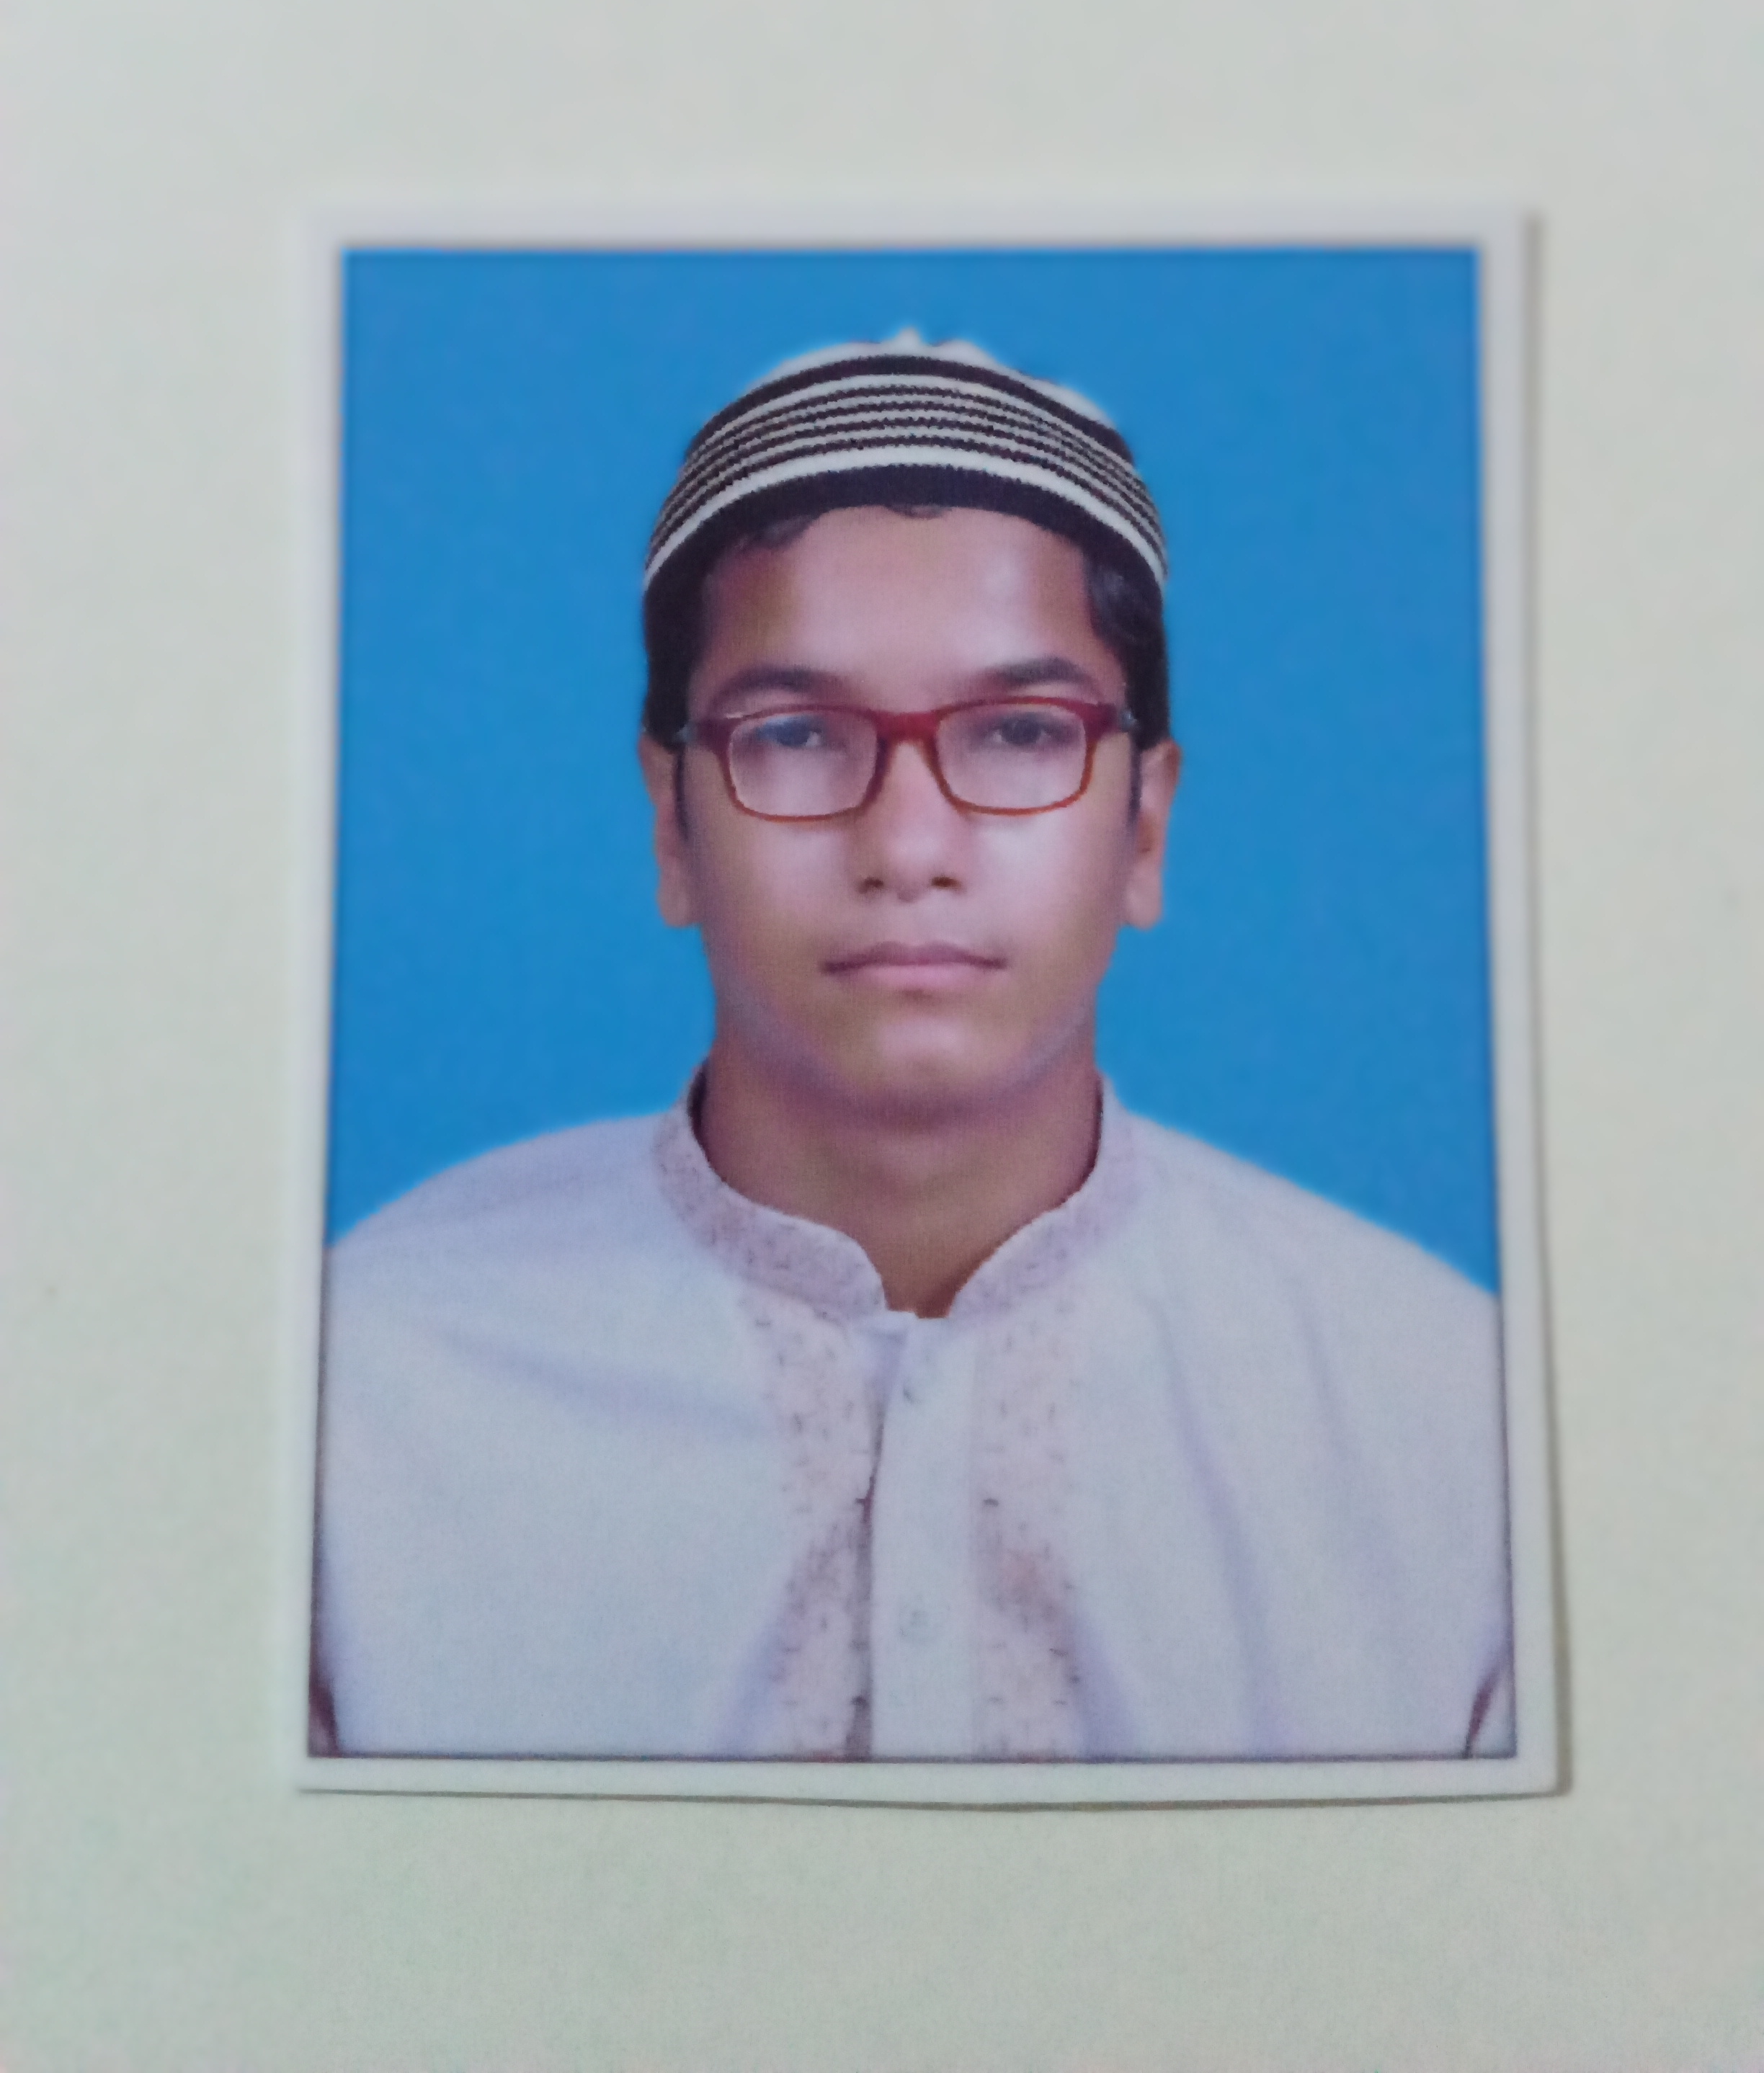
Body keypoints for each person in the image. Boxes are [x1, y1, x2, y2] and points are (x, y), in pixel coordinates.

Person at [312, 334, 1513, 1763]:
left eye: (1019, 732)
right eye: (797, 734)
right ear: (670, 823)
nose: (910, 843)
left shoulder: (1447, 1424)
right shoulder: (350, 1405)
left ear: (1145, 825)